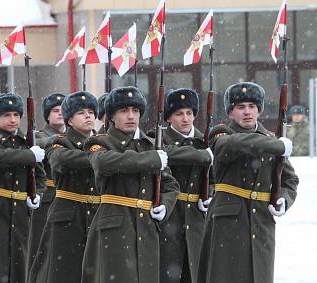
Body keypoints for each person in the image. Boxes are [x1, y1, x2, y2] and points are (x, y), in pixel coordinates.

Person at [197, 82, 299, 283]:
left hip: (260, 221)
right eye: (240, 107)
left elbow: (290, 179)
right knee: (225, 276)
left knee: (258, 276)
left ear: (259, 110)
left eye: (252, 106)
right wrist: (275, 145)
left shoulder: (272, 140)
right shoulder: (221, 134)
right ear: (230, 112)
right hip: (228, 221)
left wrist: (284, 200)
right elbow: (233, 144)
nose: (247, 112)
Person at [82, 86, 180, 283]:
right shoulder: (100, 141)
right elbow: (104, 163)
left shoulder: (150, 144)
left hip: (146, 227)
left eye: (135, 111)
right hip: (116, 227)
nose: (131, 116)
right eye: (124, 111)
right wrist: (150, 159)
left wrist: (165, 205)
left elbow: (170, 184)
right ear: (112, 116)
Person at [28, 91, 100, 283]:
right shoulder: (58, 141)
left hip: (97, 214)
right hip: (68, 217)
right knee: (63, 272)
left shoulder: (104, 142)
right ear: (69, 120)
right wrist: (104, 159)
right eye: (81, 113)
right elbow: (63, 160)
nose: (88, 116)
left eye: (91, 112)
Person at [0, 93, 46, 283]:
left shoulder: (26, 142)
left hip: (20, 213)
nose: (13, 120)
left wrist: (36, 195)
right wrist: (29, 155)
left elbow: (40, 176)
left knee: (20, 266)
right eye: (6, 115)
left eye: (16, 115)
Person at [159, 88, 214, 283]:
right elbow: (167, 154)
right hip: (169, 216)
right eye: (179, 114)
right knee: (167, 271)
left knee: (196, 272)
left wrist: (209, 194)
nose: (185, 118)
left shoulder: (205, 141)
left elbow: (214, 179)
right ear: (168, 118)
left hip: (197, 218)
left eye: (189, 113)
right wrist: (203, 155)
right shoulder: (158, 140)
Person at [26, 92, 66, 274]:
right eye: (55, 111)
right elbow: (43, 145)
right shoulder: (39, 136)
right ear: (47, 116)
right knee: (42, 246)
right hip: (48, 197)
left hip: (66, 196)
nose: (60, 114)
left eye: (63, 110)